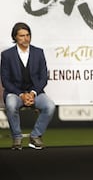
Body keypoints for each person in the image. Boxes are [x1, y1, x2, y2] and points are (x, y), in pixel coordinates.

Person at [0, 22, 55, 150]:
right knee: (11, 105)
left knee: (50, 106)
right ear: (15, 37)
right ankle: (17, 137)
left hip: (35, 93)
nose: (26, 38)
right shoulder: (7, 55)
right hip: (15, 93)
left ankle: (35, 136)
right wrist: (22, 95)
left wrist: (33, 93)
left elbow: (43, 77)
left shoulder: (38, 52)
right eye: (22, 36)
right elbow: (5, 80)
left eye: (28, 35)